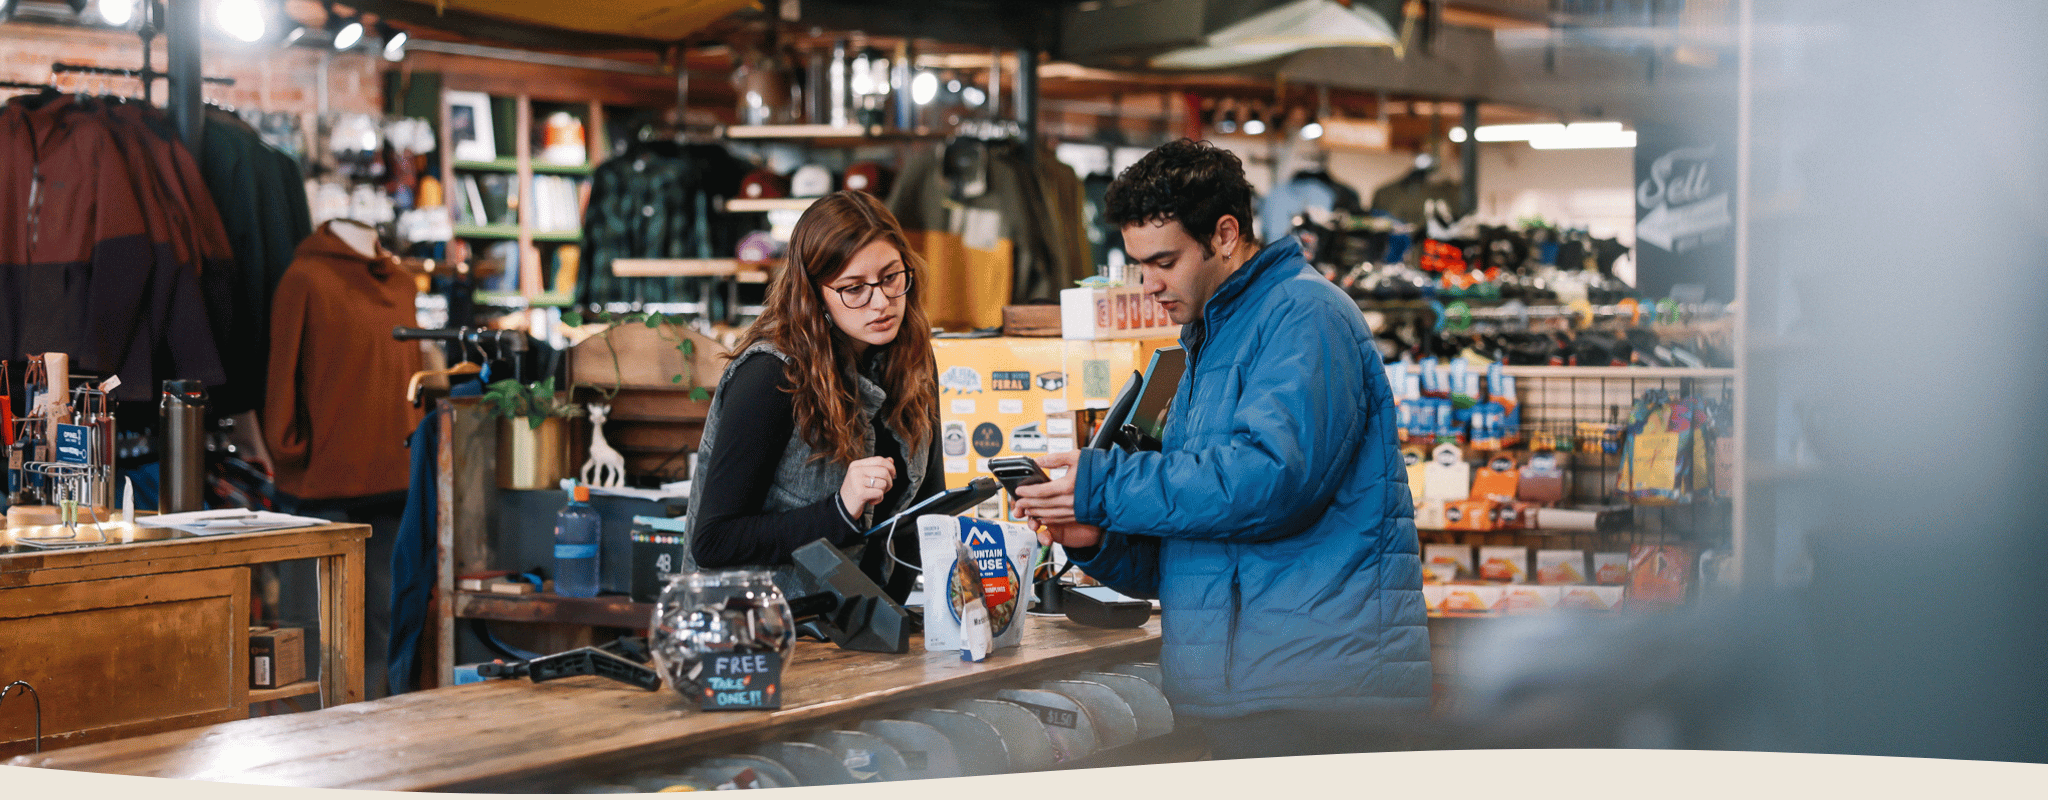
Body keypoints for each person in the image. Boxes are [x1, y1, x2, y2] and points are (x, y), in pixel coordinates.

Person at [1012, 139, 1431, 759]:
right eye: (1139, 265)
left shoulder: (1303, 316)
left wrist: (1104, 485)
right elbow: (1200, 551)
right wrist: (1098, 537)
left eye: (1165, 261)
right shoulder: (1209, 337)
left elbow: (1270, 484)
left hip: (1320, 695)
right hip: (1255, 688)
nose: (1149, 284)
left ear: (1226, 234)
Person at [687, 190, 943, 598]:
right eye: (854, 288)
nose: (881, 303)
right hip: (762, 635)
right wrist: (839, 510)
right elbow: (714, 541)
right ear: (814, 294)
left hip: (865, 630)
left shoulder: (913, 359)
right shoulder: (770, 376)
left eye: (891, 277)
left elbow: (923, 509)